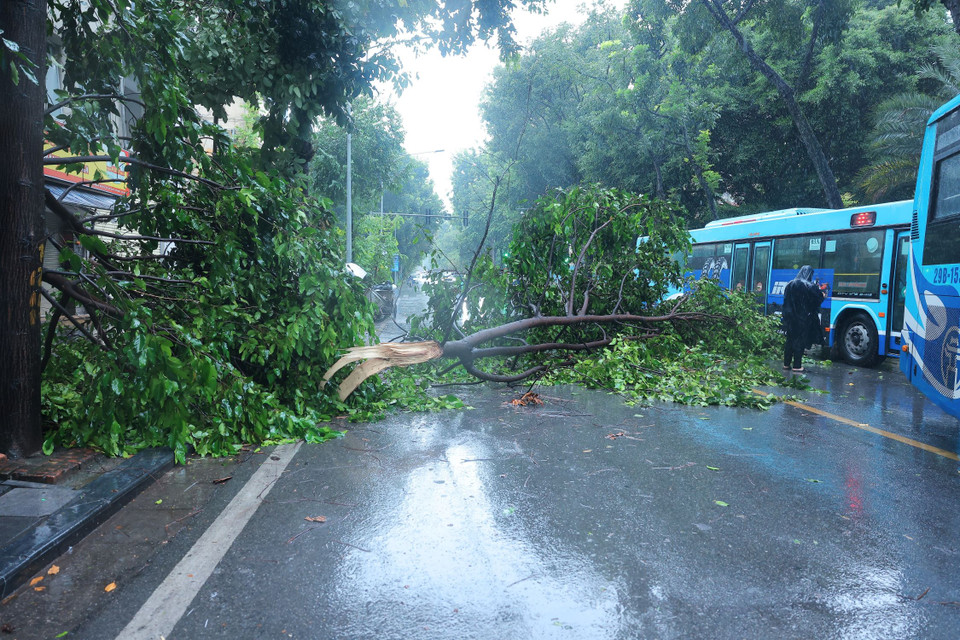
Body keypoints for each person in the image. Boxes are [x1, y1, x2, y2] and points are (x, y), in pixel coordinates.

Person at [781, 265, 826, 372]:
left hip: (790, 317)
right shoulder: (809, 285)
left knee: (789, 340)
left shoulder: (790, 284)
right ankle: (797, 366)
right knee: (799, 341)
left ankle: (786, 364)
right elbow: (818, 299)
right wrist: (823, 295)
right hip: (802, 318)